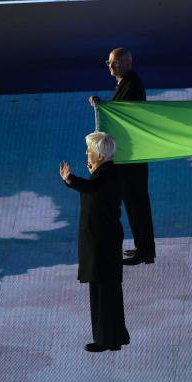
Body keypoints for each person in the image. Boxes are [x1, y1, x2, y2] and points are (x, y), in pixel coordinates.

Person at [59, 131, 131, 352]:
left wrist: (70, 179)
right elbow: (93, 192)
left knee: (103, 293)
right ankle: (111, 338)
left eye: (89, 150)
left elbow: (91, 188)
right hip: (101, 241)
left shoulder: (106, 175)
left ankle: (106, 339)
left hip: (102, 242)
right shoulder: (104, 174)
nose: (86, 153)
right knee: (104, 291)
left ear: (100, 155)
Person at [89, 48, 155, 265]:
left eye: (115, 62)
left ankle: (145, 249)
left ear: (127, 63)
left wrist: (103, 106)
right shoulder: (124, 84)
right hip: (128, 157)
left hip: (132, 158)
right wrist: (102, 105)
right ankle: (142, 247)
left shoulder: (132, 84)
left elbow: (124, 114)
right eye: (109, 62)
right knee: (134, 204)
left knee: (137, 204)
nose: (111, 66)